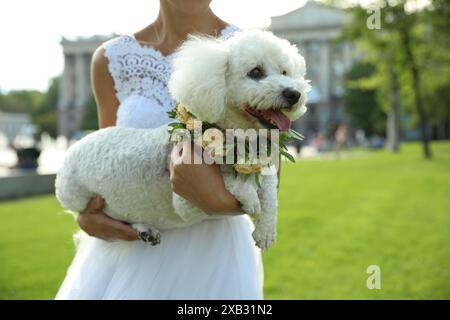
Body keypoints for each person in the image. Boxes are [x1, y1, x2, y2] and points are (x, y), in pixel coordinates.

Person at [56, 0, 263, 299]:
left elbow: (269, 178)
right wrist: (88, 216)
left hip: (214, 253)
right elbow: (107, 166)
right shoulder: (111, 59)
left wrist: (214, 199)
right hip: (130, 253)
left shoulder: (251, 48)